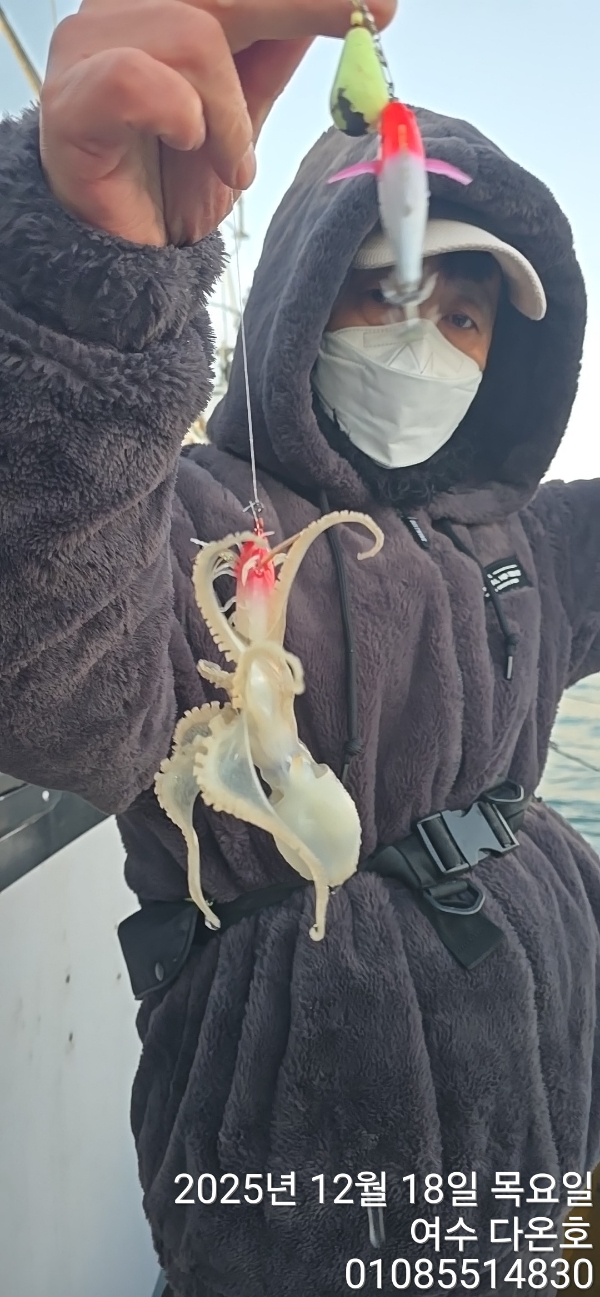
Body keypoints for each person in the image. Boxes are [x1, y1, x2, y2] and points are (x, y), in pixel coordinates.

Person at [1, 0, 599, 1293]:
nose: (427, 339)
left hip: (542, 1163)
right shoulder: (181, 519)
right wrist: (89, 293)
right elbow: (44, 656)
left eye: (468, 317)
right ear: (303, 297)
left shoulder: (537, 543)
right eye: (387, 289)